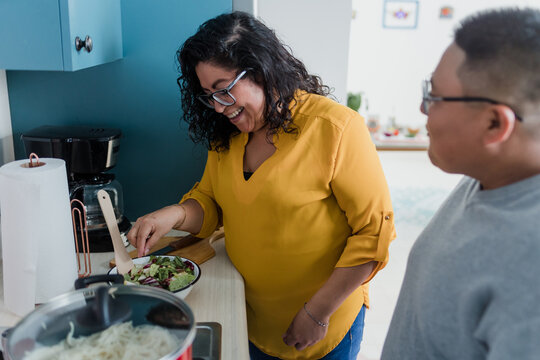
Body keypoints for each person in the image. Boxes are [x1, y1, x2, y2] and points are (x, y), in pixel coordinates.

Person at [128, 11, 395, 360]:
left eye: (224, 90)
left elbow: (374, 234)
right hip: (252, 317)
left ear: (261, 70)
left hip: (323, 322)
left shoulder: (335, 129)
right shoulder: (228, 136)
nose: (219, 108)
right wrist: (173, 215)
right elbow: (211, 202)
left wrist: (316, 313)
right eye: (209, 96)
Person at [381, 7, 540, 360]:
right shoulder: (489, 175)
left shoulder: (530, 272)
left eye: (434, 96)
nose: (423, 109)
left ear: (494, 125)